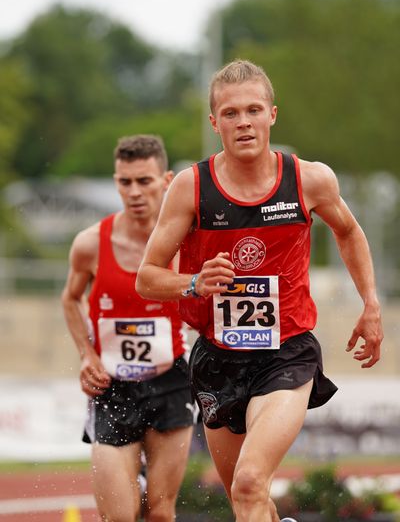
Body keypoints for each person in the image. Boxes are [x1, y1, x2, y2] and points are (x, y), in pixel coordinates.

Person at [136, 60, 383, 522]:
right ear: (214, 122)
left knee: (250, 481)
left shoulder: (310, 179)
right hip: (217, 357)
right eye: (230, 113)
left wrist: (370, 303)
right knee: (247, 500)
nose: (243, 122)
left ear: (273, 114)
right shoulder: (192, 188)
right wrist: (194, 282)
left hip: (286, 354)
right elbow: (147, 277)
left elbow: (349, 233)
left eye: (253, 110)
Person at [62, 135, 194, 522]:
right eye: (125, 182)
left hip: (172, 382)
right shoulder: (90, 244)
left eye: (144, 181)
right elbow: (70, 299)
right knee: (118, 517)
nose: (134, 192)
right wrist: (86, 355)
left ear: (166, 181)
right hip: (112, 388)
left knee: (159, 513)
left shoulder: (188, 243)